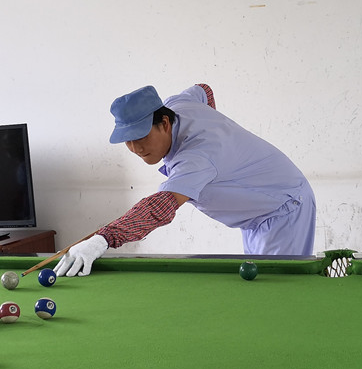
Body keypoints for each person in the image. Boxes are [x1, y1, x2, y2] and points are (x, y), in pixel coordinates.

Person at [55, 84, 315, 276]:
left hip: (283, 209)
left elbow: (160, 208)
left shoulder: (197, 157)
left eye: (141, 136)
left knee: (278, 294)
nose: (136, 148)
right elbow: (204, 90)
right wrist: (221, 139)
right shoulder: (178, 103)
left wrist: (103, 239)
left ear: (165, 123)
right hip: (256, 214)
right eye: (128, 140)